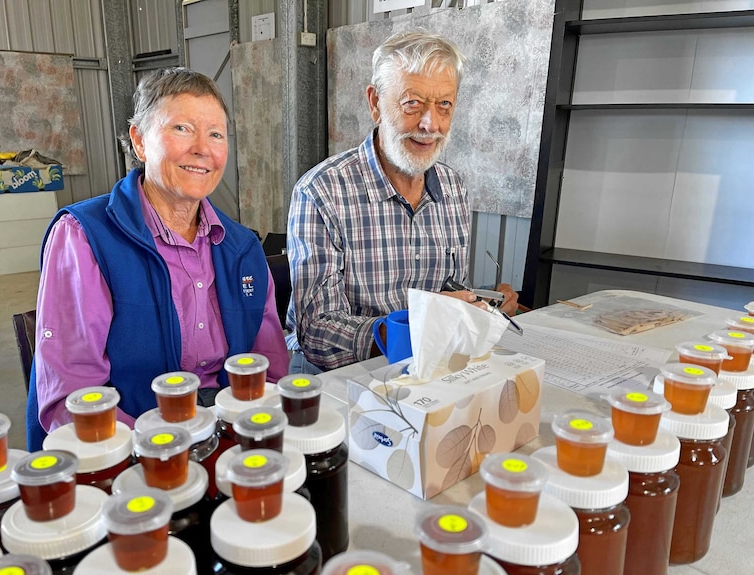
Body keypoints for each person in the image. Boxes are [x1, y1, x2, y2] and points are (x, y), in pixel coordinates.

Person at [26, 67, 289, 449]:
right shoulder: (85, 237)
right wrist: (160, 450)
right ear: (140, 141)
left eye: (215, 134)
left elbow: (268, 368)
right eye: (182, 128)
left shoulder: (243, 247)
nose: (202, 148)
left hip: (228, 438)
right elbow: (74, 397)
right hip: (128, 450)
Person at [286, 30, 518, 373]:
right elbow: (318, 336)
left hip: (429, 369)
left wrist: (477, 304)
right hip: (343, 380)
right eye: (413, 104)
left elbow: (447, 294)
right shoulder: (322, 192)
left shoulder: (453, 189)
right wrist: (412, 324)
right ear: (375, 103)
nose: (431, 124)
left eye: (444, 105)